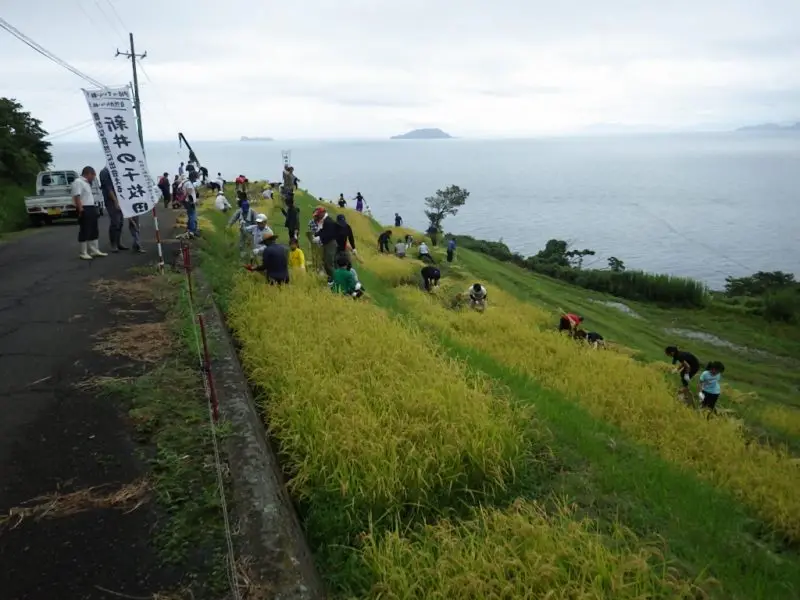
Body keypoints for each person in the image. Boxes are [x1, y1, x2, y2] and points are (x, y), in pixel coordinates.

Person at [71, 166, 107, 260]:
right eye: (93, 175)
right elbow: (77, 196)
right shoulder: (78, 182)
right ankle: (83, 252)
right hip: (84, 207)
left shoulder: (87, 183)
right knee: (85, 229)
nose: (93, 177)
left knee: (94, 229)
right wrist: (80, 209)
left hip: (91, 207)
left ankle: (94, 250)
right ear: (88, 173)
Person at [99, 166, 127, 252]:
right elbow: (108, 188)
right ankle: (113, 244)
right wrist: (115, 200)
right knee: (115, 222)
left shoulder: (116, 170)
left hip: (120, 198)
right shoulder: (105, 172)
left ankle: (119, 243)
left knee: (121, 222)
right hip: (111, 200)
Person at [312, 207, 341, 280]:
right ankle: (331, 279)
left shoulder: (328, 221)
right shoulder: (325, 221)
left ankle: (336, 280)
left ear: (322, 213)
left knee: (329, 263)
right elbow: (323, 231)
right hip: (327, 243)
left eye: (318, 215)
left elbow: (329, 234)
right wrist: (316, 234)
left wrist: (320, 238)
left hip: (331, 244)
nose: (317, 217)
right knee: (326, 262)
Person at [307, 206, 326, 273]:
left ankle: (320, 267)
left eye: (316, 216)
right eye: (314, 216)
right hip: (313, 240)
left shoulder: (321, 222)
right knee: (314, 254)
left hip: (320, 241)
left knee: (320, 255)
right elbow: (310, 231)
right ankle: (315, 267)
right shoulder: (310, 222)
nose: (314, 217)